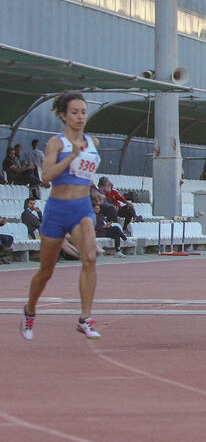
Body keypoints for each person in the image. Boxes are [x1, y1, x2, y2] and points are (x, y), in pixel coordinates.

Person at [21, 91, 103, 341]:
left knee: (89, 258)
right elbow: (46, 177)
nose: (80, 116)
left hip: (81, 209)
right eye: (75, 112)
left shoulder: (93, 142)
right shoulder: (57, 143)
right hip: (57, 209)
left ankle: (85, 319)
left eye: (83, 112)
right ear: (63, 115)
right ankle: (30, 309)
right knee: (46, 270)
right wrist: (72, 155)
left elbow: (87, 174)